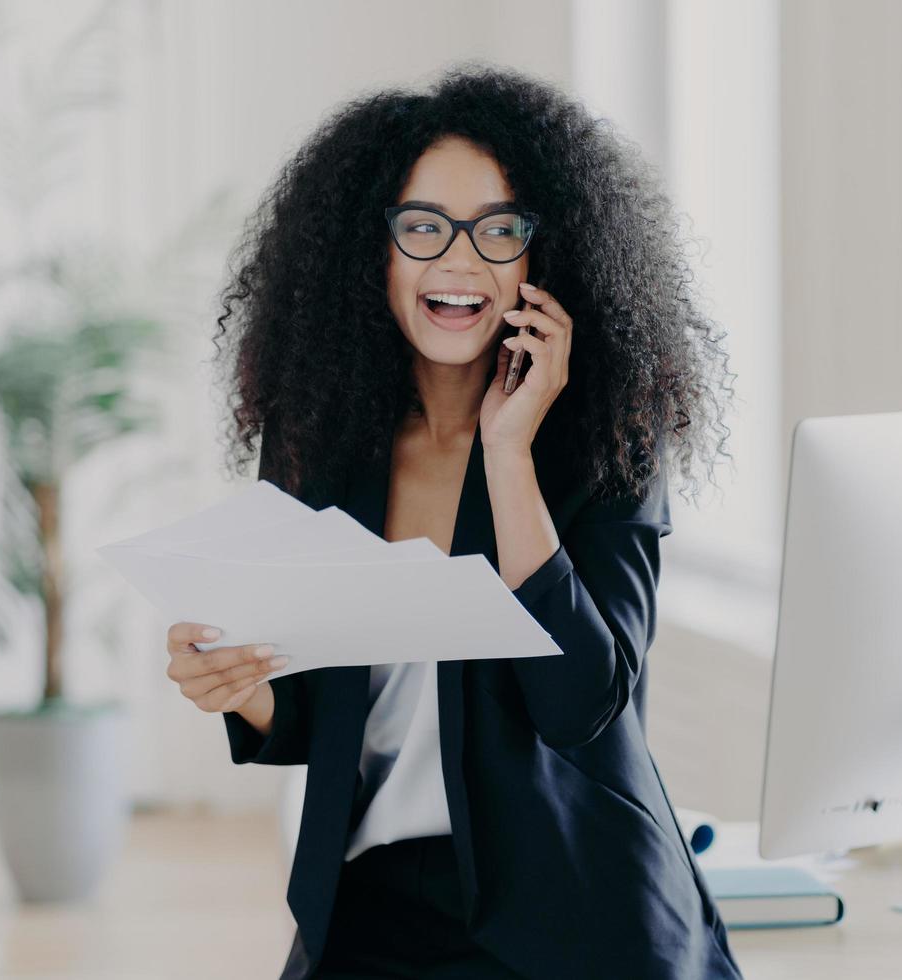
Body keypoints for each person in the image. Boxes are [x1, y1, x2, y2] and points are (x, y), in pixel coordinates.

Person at [163, 62, 744, 980]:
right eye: (424, 228)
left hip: (575, 907)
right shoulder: (320, 438)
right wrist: (241, 685)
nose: (460, 262)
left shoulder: (606, 437)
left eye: (498, 229)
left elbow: (583, 708)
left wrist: (509, 455)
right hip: (371, 900)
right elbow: (322, 713)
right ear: (376, 250)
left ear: (543, 257)